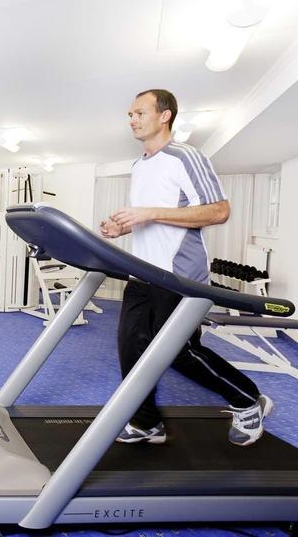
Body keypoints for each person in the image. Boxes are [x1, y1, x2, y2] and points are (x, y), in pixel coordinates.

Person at [99, 89, 272, 447]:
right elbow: (153, 220)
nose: (132, 119)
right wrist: (122, 228)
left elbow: (219, 211)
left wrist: (148, 213)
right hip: (142, 273)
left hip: (178, 276)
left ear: (165, 115)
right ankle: (146, 423)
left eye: (139, 112)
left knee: (178, 352)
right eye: (130, 114)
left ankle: (247, 400)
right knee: (131, 348)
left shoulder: (185, 156)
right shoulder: (139, 166)